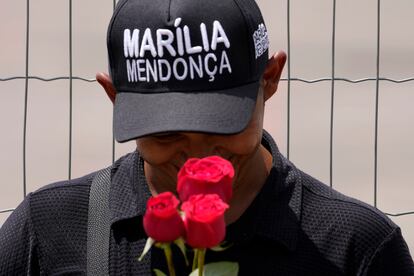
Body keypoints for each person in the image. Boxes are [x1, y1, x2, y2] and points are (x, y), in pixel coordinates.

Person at [1, 0, 413, 275]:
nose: (197, 155)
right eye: (166, 132)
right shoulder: (50, 230)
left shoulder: (353, 248)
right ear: (114, 97)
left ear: (269, 80)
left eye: (221, 125)